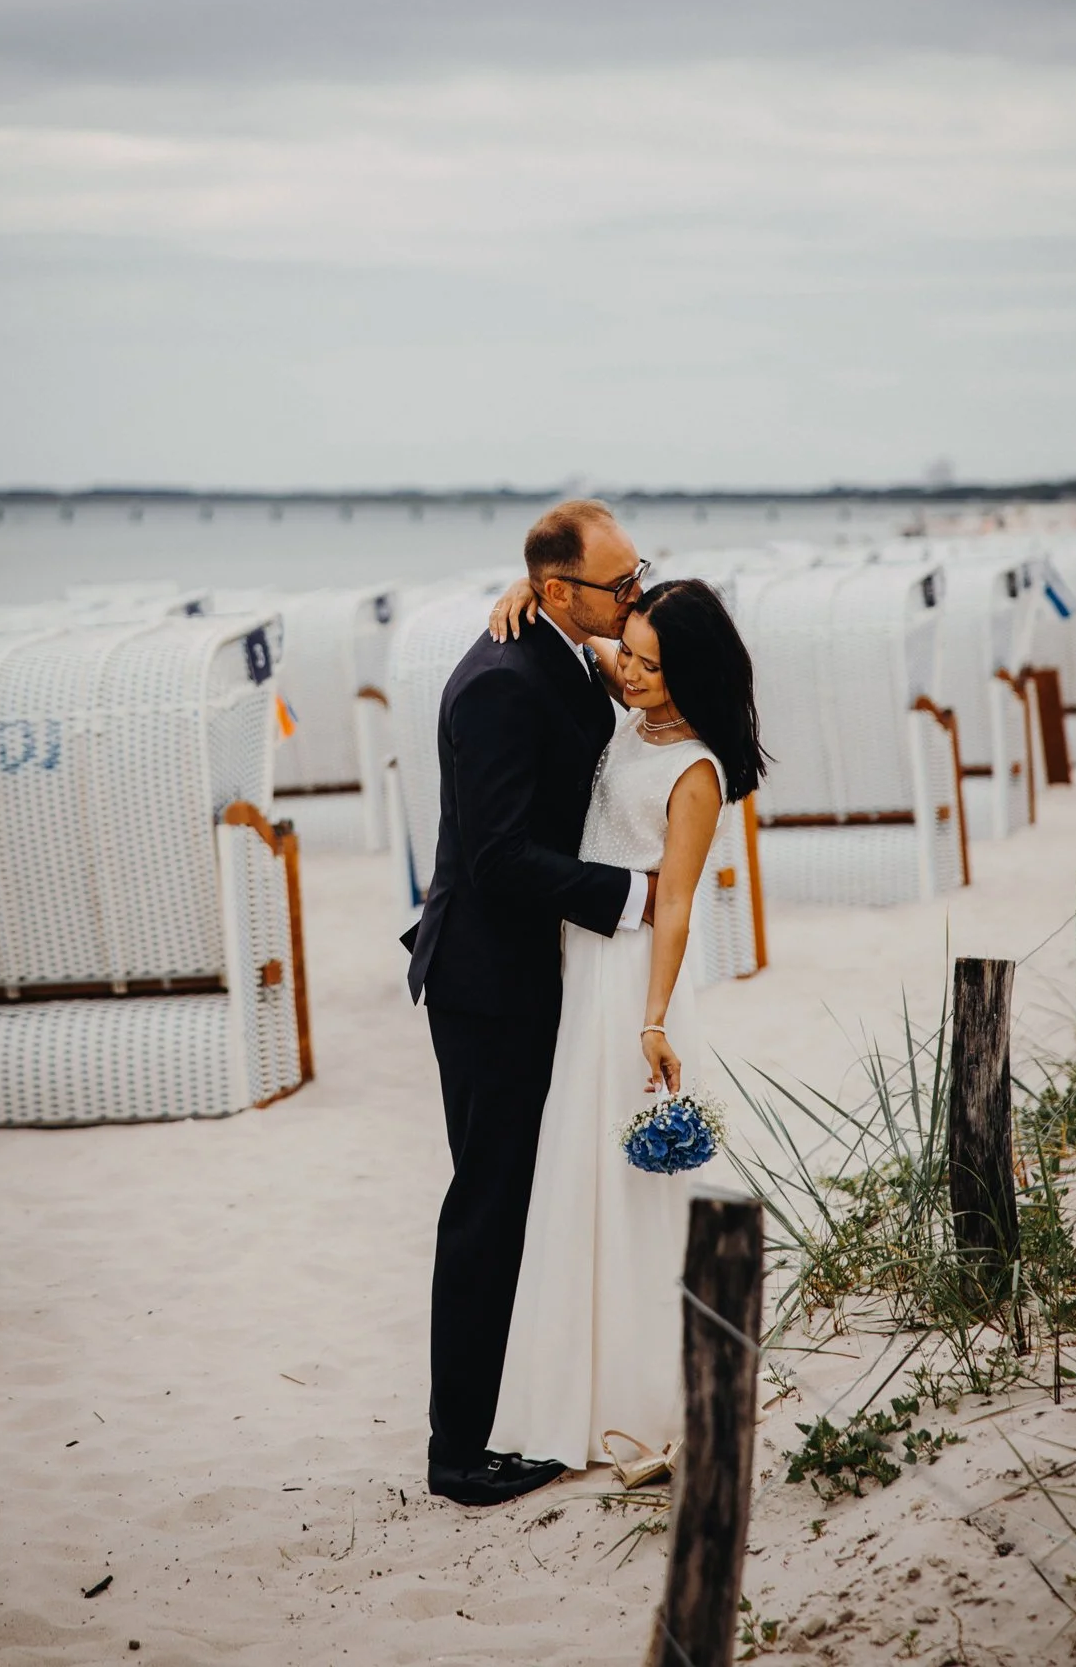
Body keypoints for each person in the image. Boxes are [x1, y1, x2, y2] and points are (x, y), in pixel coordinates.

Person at [403, 499, 657, 1507]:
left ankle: (509, 1409)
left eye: (640, 573)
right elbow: (499, 856)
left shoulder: (551, 642)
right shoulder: (500, 682)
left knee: (523, 1196)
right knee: (488, 1202)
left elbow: (596, 674)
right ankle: (457, 1451)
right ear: (559, 589)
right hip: (484, 979)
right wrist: (629, 896)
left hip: (530, 969)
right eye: (620, 583)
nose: (634, 594)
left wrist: (561, 617)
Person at [487, 575, 767, 1470]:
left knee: (626, 1178)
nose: (632, 672)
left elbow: (678, 906)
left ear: (694, 670)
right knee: (578, 1169)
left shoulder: (697, 769)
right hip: (585, 961)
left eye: (652, 663)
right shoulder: (637, 699)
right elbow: (580, 625)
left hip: (635, 979)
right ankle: (583, 1380)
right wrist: (517, 589)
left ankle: (647, 1394)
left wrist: (653, 1019)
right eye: (633, 655)